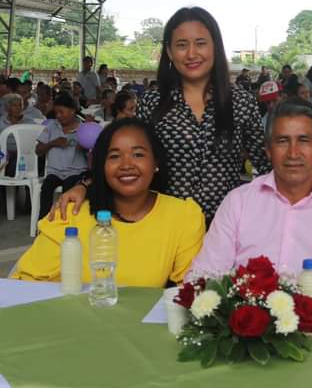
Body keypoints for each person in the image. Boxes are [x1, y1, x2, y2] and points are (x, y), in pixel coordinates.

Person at [52, 7, 271, 226]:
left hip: (225, 227)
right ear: (169, 51)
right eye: (182, 45)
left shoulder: (241, 102)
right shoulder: (153, 102)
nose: (192, 54)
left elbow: (265, 162)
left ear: (215, 46)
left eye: (201, 43)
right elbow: (128, 156)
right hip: (165, 226)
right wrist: (84, 186)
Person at [188, 99, 312, 304]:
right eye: (282, 141)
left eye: (303, 140)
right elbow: (206, 275)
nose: (293, 153)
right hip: (244, 320)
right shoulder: (238, 202)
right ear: (268, 149)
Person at [12, 118, 205, 287]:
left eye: (138, 154)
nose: (126, 165)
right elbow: (26, 283)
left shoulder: (183, 216)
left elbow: (191, 292)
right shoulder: (70, 213)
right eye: (114, 156)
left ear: (156, 163)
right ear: (101, 166)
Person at [36, 93, 88, 219]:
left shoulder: (83, 128)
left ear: (72, 111)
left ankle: (65, 221)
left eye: (61, 112)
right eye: (56, 113)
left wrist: (84, 146)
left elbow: (93, 154)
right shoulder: (51, 126)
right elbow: (38, 151)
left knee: (69, 187)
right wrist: (53, 143)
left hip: (76, 172)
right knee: (47, 188)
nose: (58, 116)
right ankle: (43, 222)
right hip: (55, 171)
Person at [0, 93, 36, 176]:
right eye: (14, 105)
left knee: (14, 165)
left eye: (20, 105)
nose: (18, 108)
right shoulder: (1, 122)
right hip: (3, 153)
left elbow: (38, 136)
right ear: (7, 108)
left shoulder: (29, 122)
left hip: (23, 154)